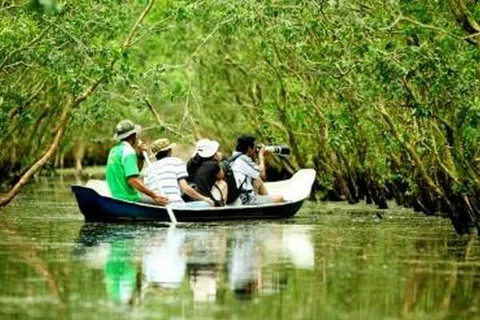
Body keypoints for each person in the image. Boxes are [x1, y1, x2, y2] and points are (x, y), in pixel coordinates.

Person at [106, 119, 168, 205]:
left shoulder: (114, 150)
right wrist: (154, 195)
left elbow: (135, 171)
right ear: (132, 136)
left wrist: (141, 156)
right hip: (127, 198)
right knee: (164, 202)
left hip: (114, 196)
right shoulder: (128, 152)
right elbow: (132, 180)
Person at [143, 138, 214, 208]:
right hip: (174, 205)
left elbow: (149, 192)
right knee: (206, 204)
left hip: (157, 206)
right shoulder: (176, 162)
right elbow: (185, 189)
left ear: (155, 155)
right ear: (169, 151)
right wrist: (204, 198)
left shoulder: (148, 169)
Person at [230, 135, 284, 205]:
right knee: (280, 198)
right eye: (255, 147)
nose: (256, 150)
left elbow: (256, 172)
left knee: (257, 179)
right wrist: (261, 156)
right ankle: (268, 204)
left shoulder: (235, 157)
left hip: (237, 196)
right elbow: (262, 174)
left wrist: (258, 157)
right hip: (245, 200)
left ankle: (267, 202)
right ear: (249, 148)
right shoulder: (243, 159)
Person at [186, 139, 228, 206]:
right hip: (205, 197)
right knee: (222, 183)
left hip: (191, 195)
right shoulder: (213, 164)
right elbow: (221, 176)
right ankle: (221, 205)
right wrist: (218, 161)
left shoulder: (190, 163)